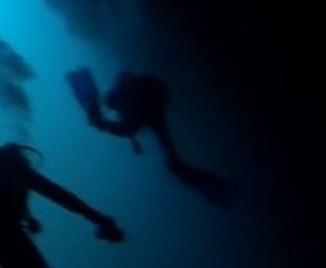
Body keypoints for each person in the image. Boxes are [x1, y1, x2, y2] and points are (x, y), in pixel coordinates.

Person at [76, 68, 237, 207]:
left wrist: (101, 123)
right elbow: (128, 126)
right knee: (175, 163)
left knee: (175, 164)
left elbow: (125, 129)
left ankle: (222, 192)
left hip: (153, 110)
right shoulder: (131, 93)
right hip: (156, 108)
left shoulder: (129, 103)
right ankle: (221, 190)